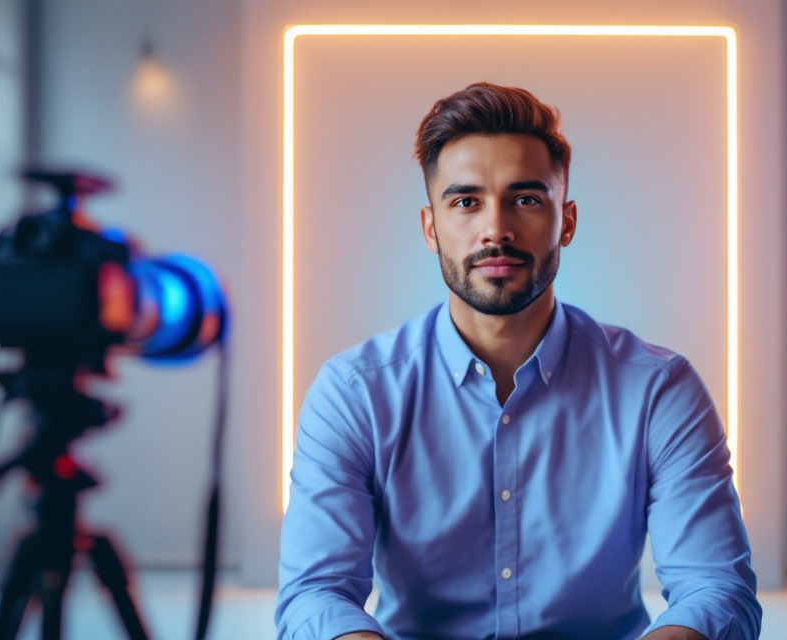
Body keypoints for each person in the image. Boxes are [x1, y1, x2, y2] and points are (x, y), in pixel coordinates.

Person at [275, 82, 760, 640]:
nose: (495, 229)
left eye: (526, 199)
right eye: (465, 202)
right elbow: (316, 596)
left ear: (567, 221)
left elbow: (716, 591)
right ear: (432, 227)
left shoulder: (659, 390)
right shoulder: (354, 393)